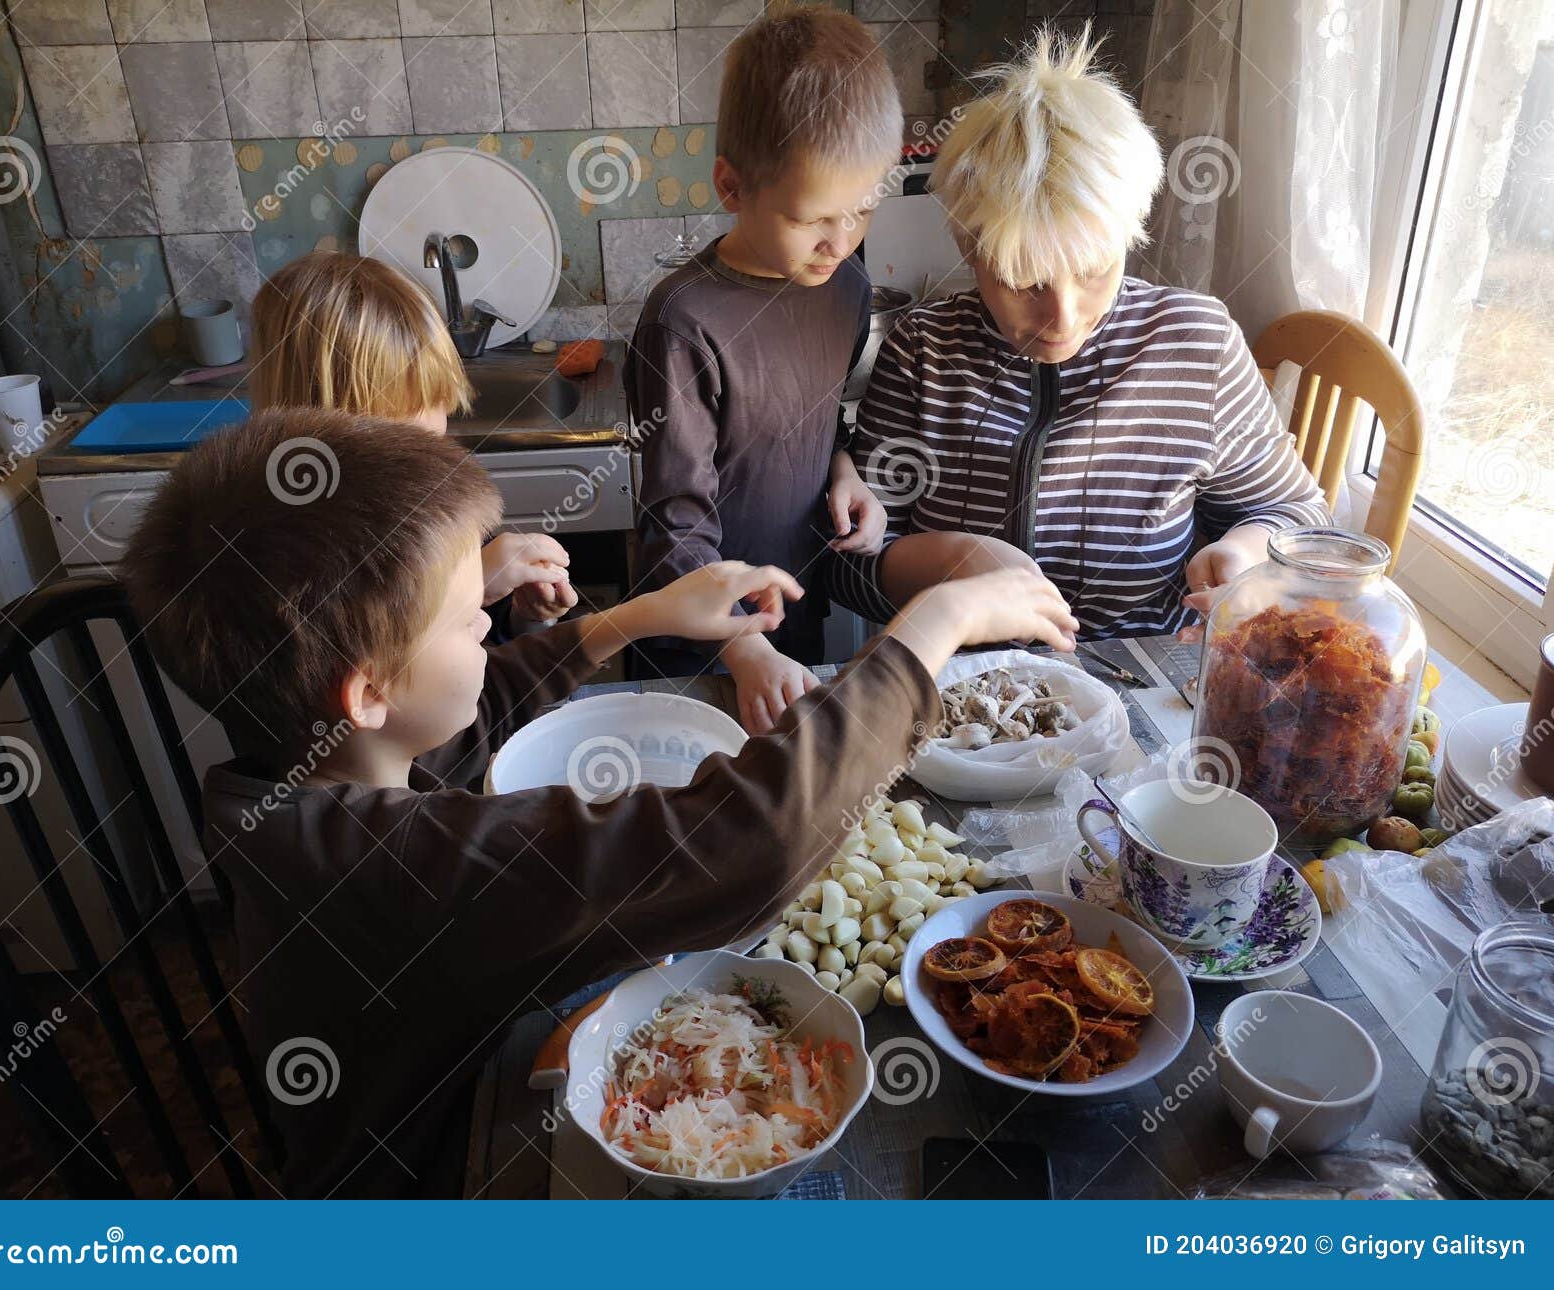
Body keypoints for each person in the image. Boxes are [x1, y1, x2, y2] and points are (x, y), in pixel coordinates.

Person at [120, 406, 1071, 1197]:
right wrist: (936, 626)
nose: (490, 620)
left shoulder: (315, 773)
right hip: (437, 1184)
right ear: (366, 692)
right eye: (468, 619)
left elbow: (461, 711)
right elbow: (749, 838)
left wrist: (636, 619)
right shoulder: (382, 866)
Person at [829, 28, 1331, 653]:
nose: (1061, 318)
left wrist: (1243, 552)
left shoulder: (1196, 348)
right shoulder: (923, 352)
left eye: (1094, 270)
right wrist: (953, 563)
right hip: (970, 706)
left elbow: (1301, 519)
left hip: (1142, 683)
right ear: (968, 247)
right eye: (1022, 281)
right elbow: (846, 565)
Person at [624, 5, 899, 734]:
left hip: (795, 613)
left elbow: (822, 414)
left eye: (863, 209)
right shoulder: (682, 321)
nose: (841, 242)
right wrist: (742, 647)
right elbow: (673, 523)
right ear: (733, 187)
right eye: (814, 218)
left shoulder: (845, 288)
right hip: (698, 649)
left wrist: (846, 471)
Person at [250, 249, 575, 624]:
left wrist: (525, 618)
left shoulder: (430, 503)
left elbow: (483, 661)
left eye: (439, 401)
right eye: (406, 443)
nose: (438, 431)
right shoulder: (285, 547)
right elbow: (349, 660)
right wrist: (468, 589)